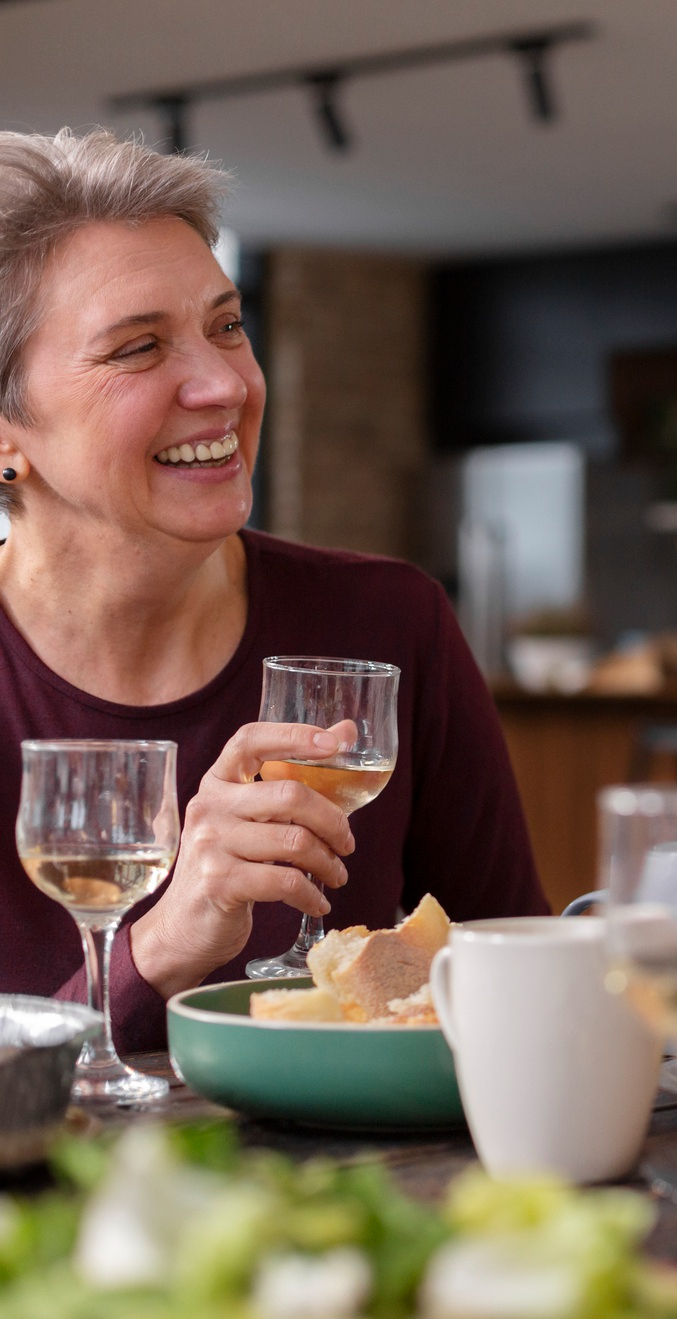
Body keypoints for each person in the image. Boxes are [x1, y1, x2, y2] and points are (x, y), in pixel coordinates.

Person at [0, 130, 545, 1054]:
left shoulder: (388, 619)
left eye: (226, 324)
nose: (224, 384)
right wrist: (161, 947)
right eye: (138, 349)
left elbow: (524, 987)